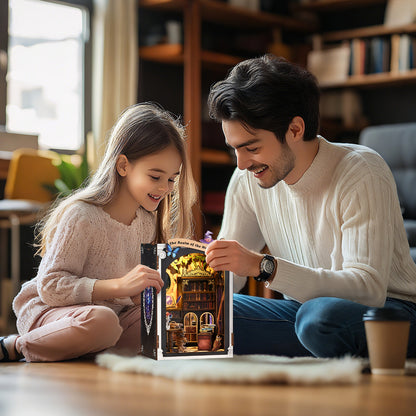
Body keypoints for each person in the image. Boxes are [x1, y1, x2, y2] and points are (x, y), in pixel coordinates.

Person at [205, 54, 416, 358]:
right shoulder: (246, 179)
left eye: (251, 148)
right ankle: (313, 347)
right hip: (303, 311)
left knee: (321, 319)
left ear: (295, 130)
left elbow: (368, 289)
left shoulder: (361, 171)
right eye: (234, 150)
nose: (241, 163)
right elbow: (230, 277)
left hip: (389, 313)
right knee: (208, 313)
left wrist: (261, 266)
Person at [0, 102, 197, 362]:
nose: (166, 188)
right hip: (54, 313)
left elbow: (131, 300)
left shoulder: (146, 223)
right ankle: (16, 345)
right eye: (155, 176)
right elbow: (50, 287)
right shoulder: (82, 216)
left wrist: (147, 293)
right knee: (101, 322)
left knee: (163, 315)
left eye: (172, 179)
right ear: (123, 166)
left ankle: (85, 350)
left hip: (110, 319)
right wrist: (119, 286)